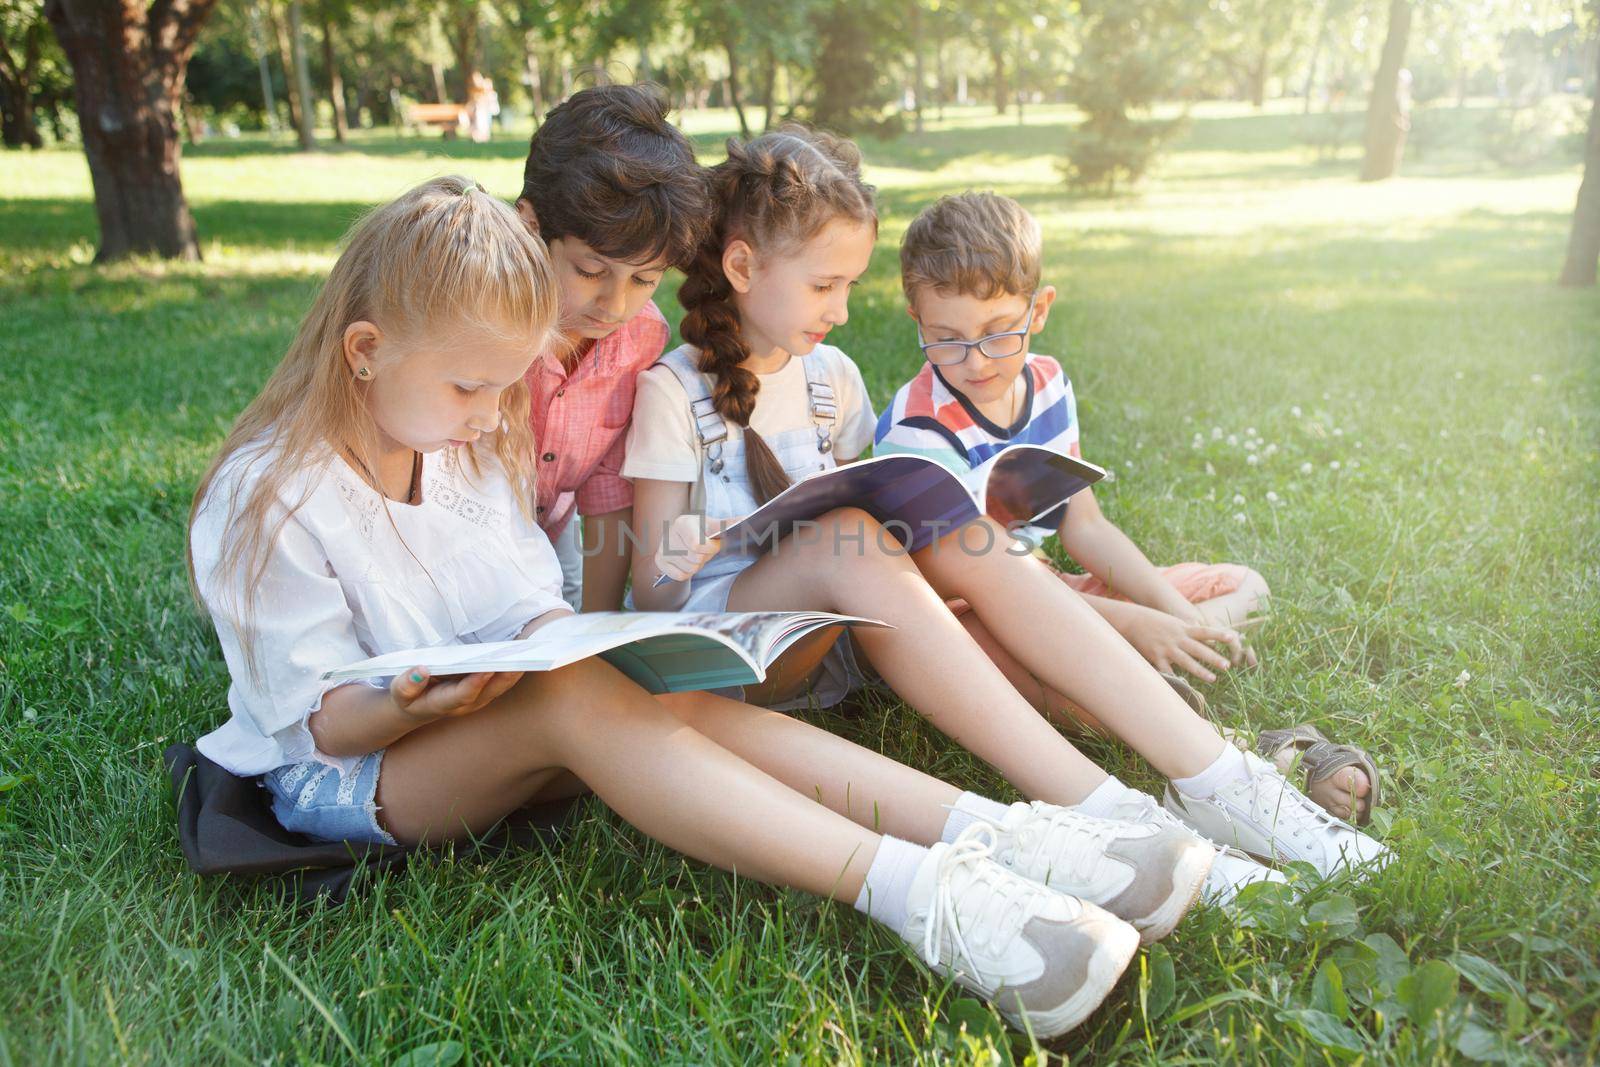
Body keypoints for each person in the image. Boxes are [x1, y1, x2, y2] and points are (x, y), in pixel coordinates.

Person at [184, 174, 1208, 1039]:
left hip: (474, 701)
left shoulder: (459, 448)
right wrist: (420, 699)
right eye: (468, 388)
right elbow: (315, 722)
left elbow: (521, 602)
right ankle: (929, 897)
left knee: (627, 683)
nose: (496, 415)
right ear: (364, 350)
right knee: (571, 700)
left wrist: (566, 639)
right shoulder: (271, 494)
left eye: (507, 387)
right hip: (345, 767)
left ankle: (1011, 834)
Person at [624, 129, 1387, 889]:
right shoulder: (672, 391)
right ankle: (1108, 809)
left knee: (950, 528)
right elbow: (656, 596)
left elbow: (870, 518)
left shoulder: (834, 377)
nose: (845, 310)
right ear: (742, 266)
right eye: (826, 285)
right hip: (727, 657)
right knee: (849, 537)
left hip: (832, 641)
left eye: (852, 286)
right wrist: (686, 544)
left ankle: (1219, 778)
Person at [876, 191, 1373, 823]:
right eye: (945, 340)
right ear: (917, 322)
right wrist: (1132, 625)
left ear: (1040, 309)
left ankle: (1171, 658)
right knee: (1058, 686)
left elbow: (1084, 524)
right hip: (967, 618)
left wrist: (1176, 617)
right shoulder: (918, 429)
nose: (974, 361)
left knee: (1245, 588)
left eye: (998, 333)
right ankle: (1262, 758)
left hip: (1056, 588)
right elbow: (945, 588)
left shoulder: (1048, 383)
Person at [514, 83, 707, 611]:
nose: (614, 304)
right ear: (530, 224)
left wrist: (598, 627)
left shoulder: (641, 338)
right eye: (590, 271)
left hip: (551, 543)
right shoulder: (481, 325)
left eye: (644, 279)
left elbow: (606, 490)